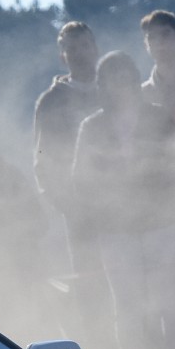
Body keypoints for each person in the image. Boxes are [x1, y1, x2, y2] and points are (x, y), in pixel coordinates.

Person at [70, 52, 175, 349]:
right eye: (112, 79)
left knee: (171, 297)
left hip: (162, 221)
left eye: (125, 76)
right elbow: (80, 178)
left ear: (135, 79)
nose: (120, 84)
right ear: (102, 85)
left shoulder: (159, 117)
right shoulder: (92, 126)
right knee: (127, 303)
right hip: (116, 228)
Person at [33, 23, 105, 324]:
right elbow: (42, 162)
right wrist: (68, 206)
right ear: (62, 56)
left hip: (123, 204)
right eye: (71, 48)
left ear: (96, 48)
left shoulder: (112, 87)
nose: (79, 53)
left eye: (84, 45)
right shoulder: (51, 102)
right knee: (90, 284)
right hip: (78, 213)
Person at [141, 10, 175, 108]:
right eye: (152, 37)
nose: (159, 41)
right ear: (146, 45)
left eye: (165, 34)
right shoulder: (143, 95)